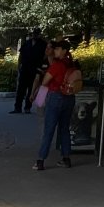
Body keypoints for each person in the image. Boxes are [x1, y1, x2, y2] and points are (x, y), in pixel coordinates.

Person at [33, 39, 82, 170]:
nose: (55, 51)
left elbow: (45, 81)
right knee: (64, 128)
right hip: (70, 98)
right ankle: (66, 159)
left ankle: (40, 160)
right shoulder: (72, 64)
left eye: (57, 49)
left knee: (49, 129)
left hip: (55, 97)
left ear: (64, 51)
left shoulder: (57, 65)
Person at [13, 29, 46, 114]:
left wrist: (41, 68)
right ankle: (17, 107)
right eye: (34, 34)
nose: (35, 36)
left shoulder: (43, 44)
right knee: (21, 89)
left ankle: (27, 107)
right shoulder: (27, 43)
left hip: (35, 70)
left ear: (39, 35)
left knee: (31, 89)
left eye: (37, 34)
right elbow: (21, 55)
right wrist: (19, 66)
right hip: (25, 68)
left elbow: (44, 57)